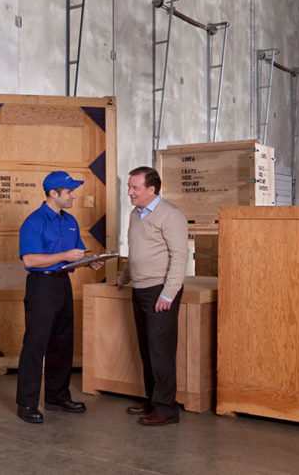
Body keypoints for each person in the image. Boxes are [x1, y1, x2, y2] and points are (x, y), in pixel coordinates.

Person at [15, 171, 102, 423]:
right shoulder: (34, 221)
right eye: (69, 192)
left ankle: (57, 396)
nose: (74, 195)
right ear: (54, 194)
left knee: (62, 344)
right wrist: (66, 256)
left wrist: (90, 261)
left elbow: (76, 253)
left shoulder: (71, 220)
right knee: (35, 345)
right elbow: (30, 259)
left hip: (63, 285)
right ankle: (27, 403)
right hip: (41, 287)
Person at [114, 166, 188, 426]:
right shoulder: (136, 214)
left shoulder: (171, 215)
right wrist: (123, 279)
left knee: (161, 352)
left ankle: (166, 409)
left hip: (160, 291)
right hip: (140, 289)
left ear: (151, 189)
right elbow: (135, 253)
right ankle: (152, 400)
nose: (130, 192)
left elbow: (180, 257)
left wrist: (168, 294)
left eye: (135, 187)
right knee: (147, 349)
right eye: (129, 187)